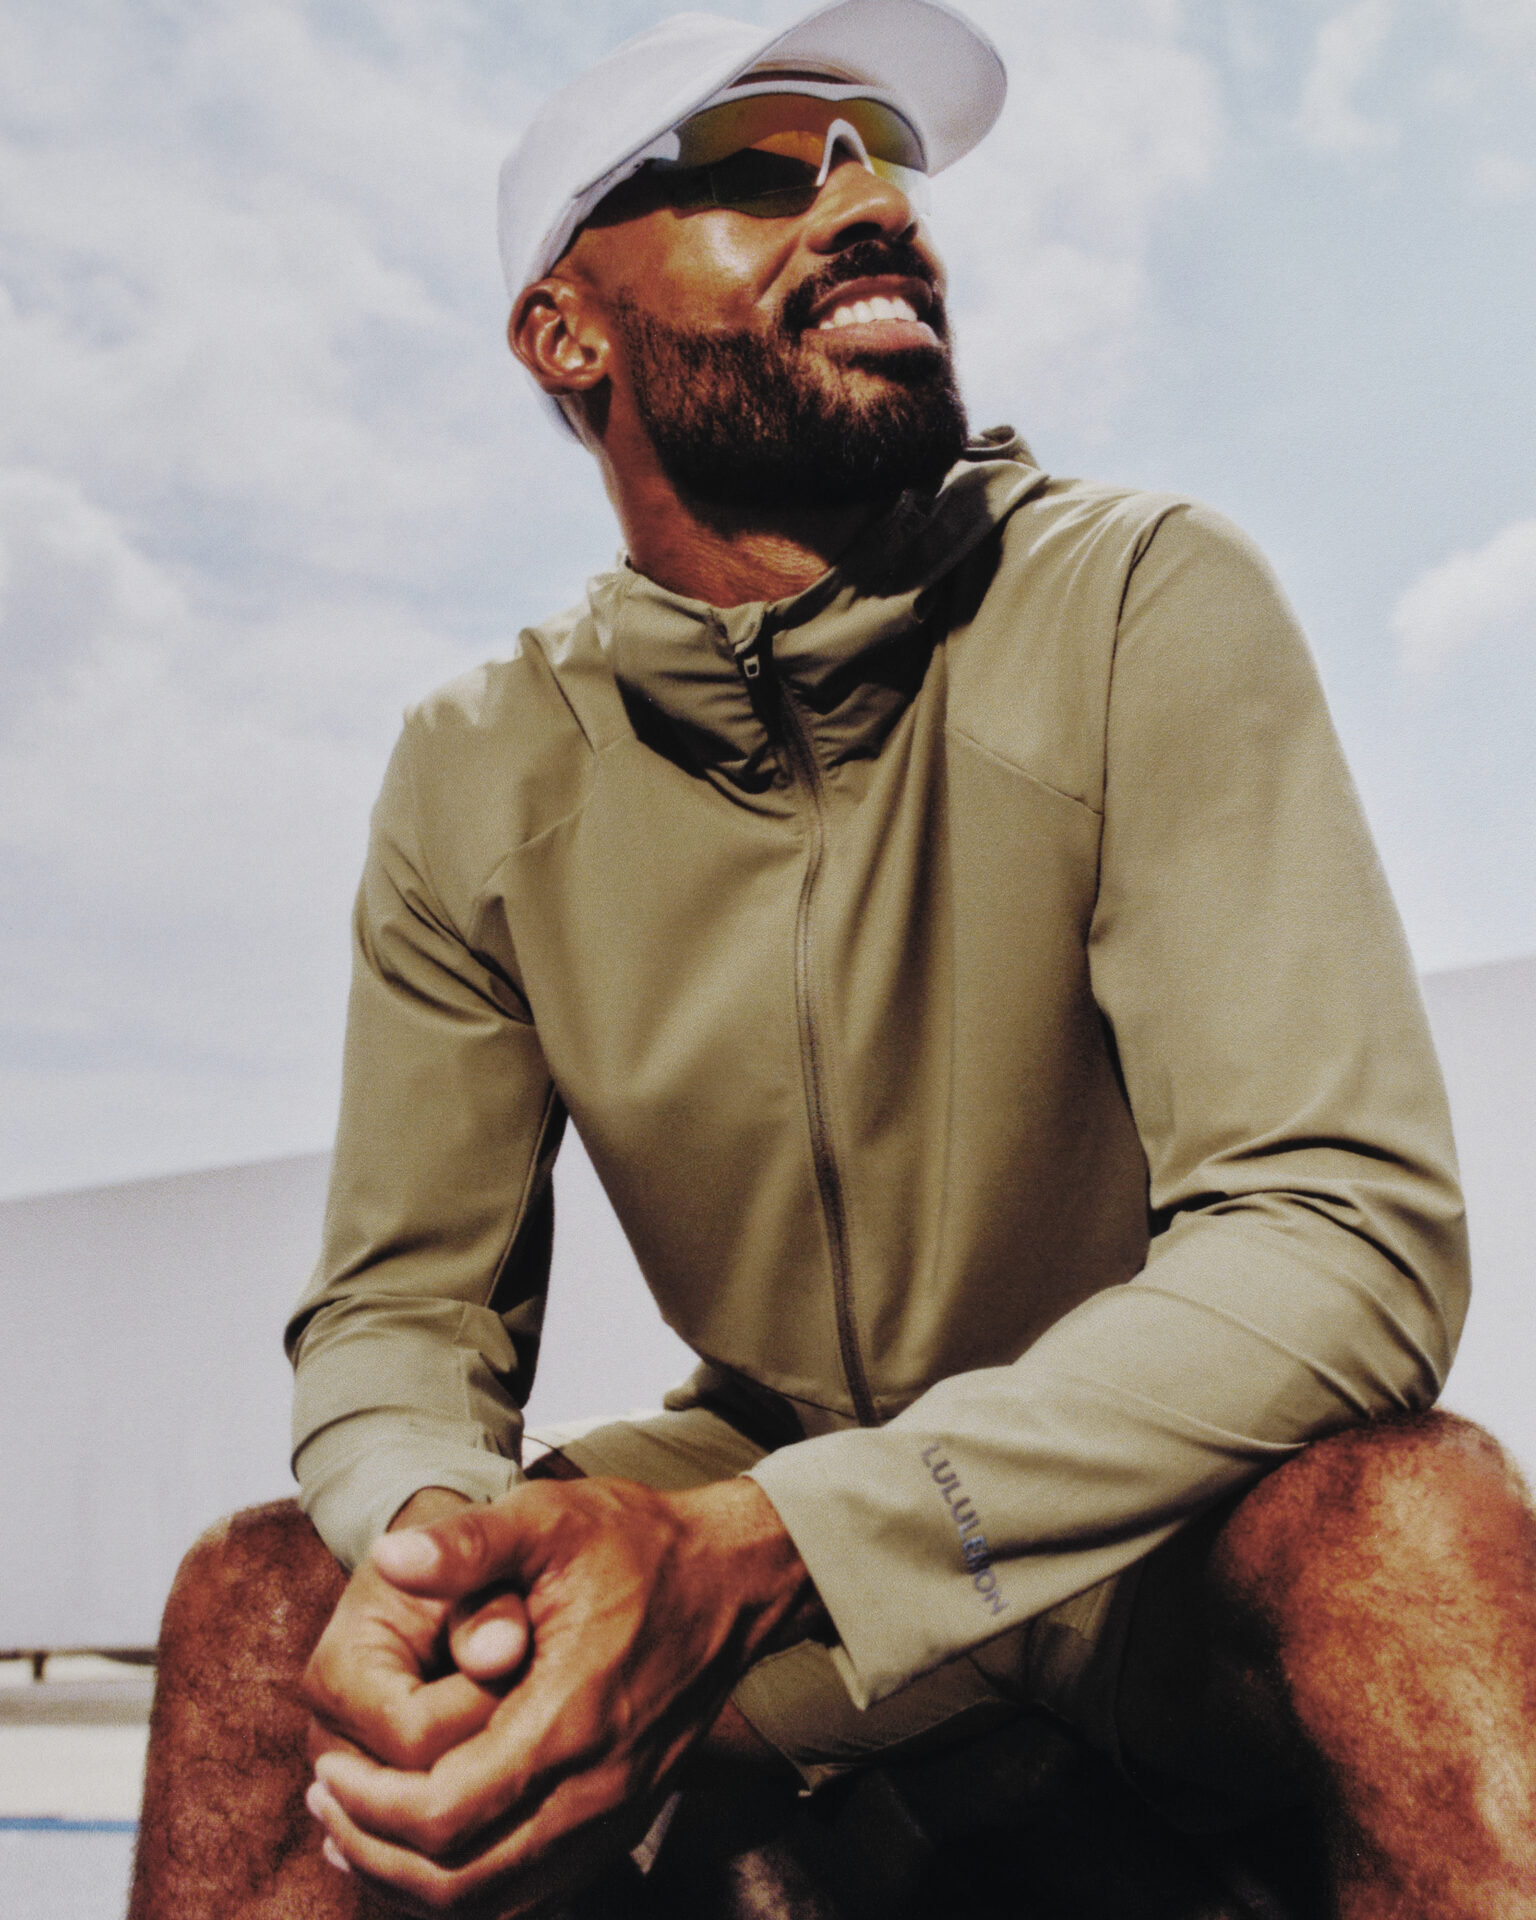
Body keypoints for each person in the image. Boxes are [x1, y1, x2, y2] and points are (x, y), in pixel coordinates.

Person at [128, 4, 1536, 1917]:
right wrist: (441, 1551)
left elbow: (1341, 1230)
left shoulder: (1142, 597)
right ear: (565, 332)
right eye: (758, 169)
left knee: (1416, 1528)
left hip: (1142, 1535)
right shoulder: (477, 767)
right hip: (762, 1484)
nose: (870, 201)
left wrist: (784, 1539)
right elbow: (401, 1315)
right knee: (262, 1603)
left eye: (879, 157)